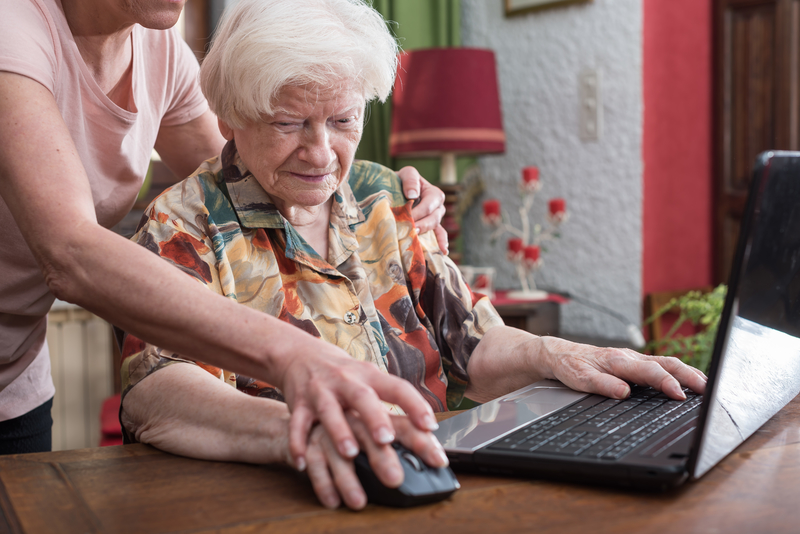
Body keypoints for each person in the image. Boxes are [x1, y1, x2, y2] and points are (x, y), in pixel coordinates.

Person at [118, 0, 708, 510]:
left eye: (344, 120)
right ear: (231, 119)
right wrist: (308, 430)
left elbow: (472, 346)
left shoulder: (384, 196)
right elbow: (157, 392)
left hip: (421, 481)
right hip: (266, 500)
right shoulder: (184, 220)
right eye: (290, 122)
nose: (322, 152)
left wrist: (560, 354)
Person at [0, 0, 449, 458]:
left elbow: (260, 171)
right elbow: (69, 253)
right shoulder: (12, 27)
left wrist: (382, 194)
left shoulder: (158, 50)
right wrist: (295, 356)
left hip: (16, 370)